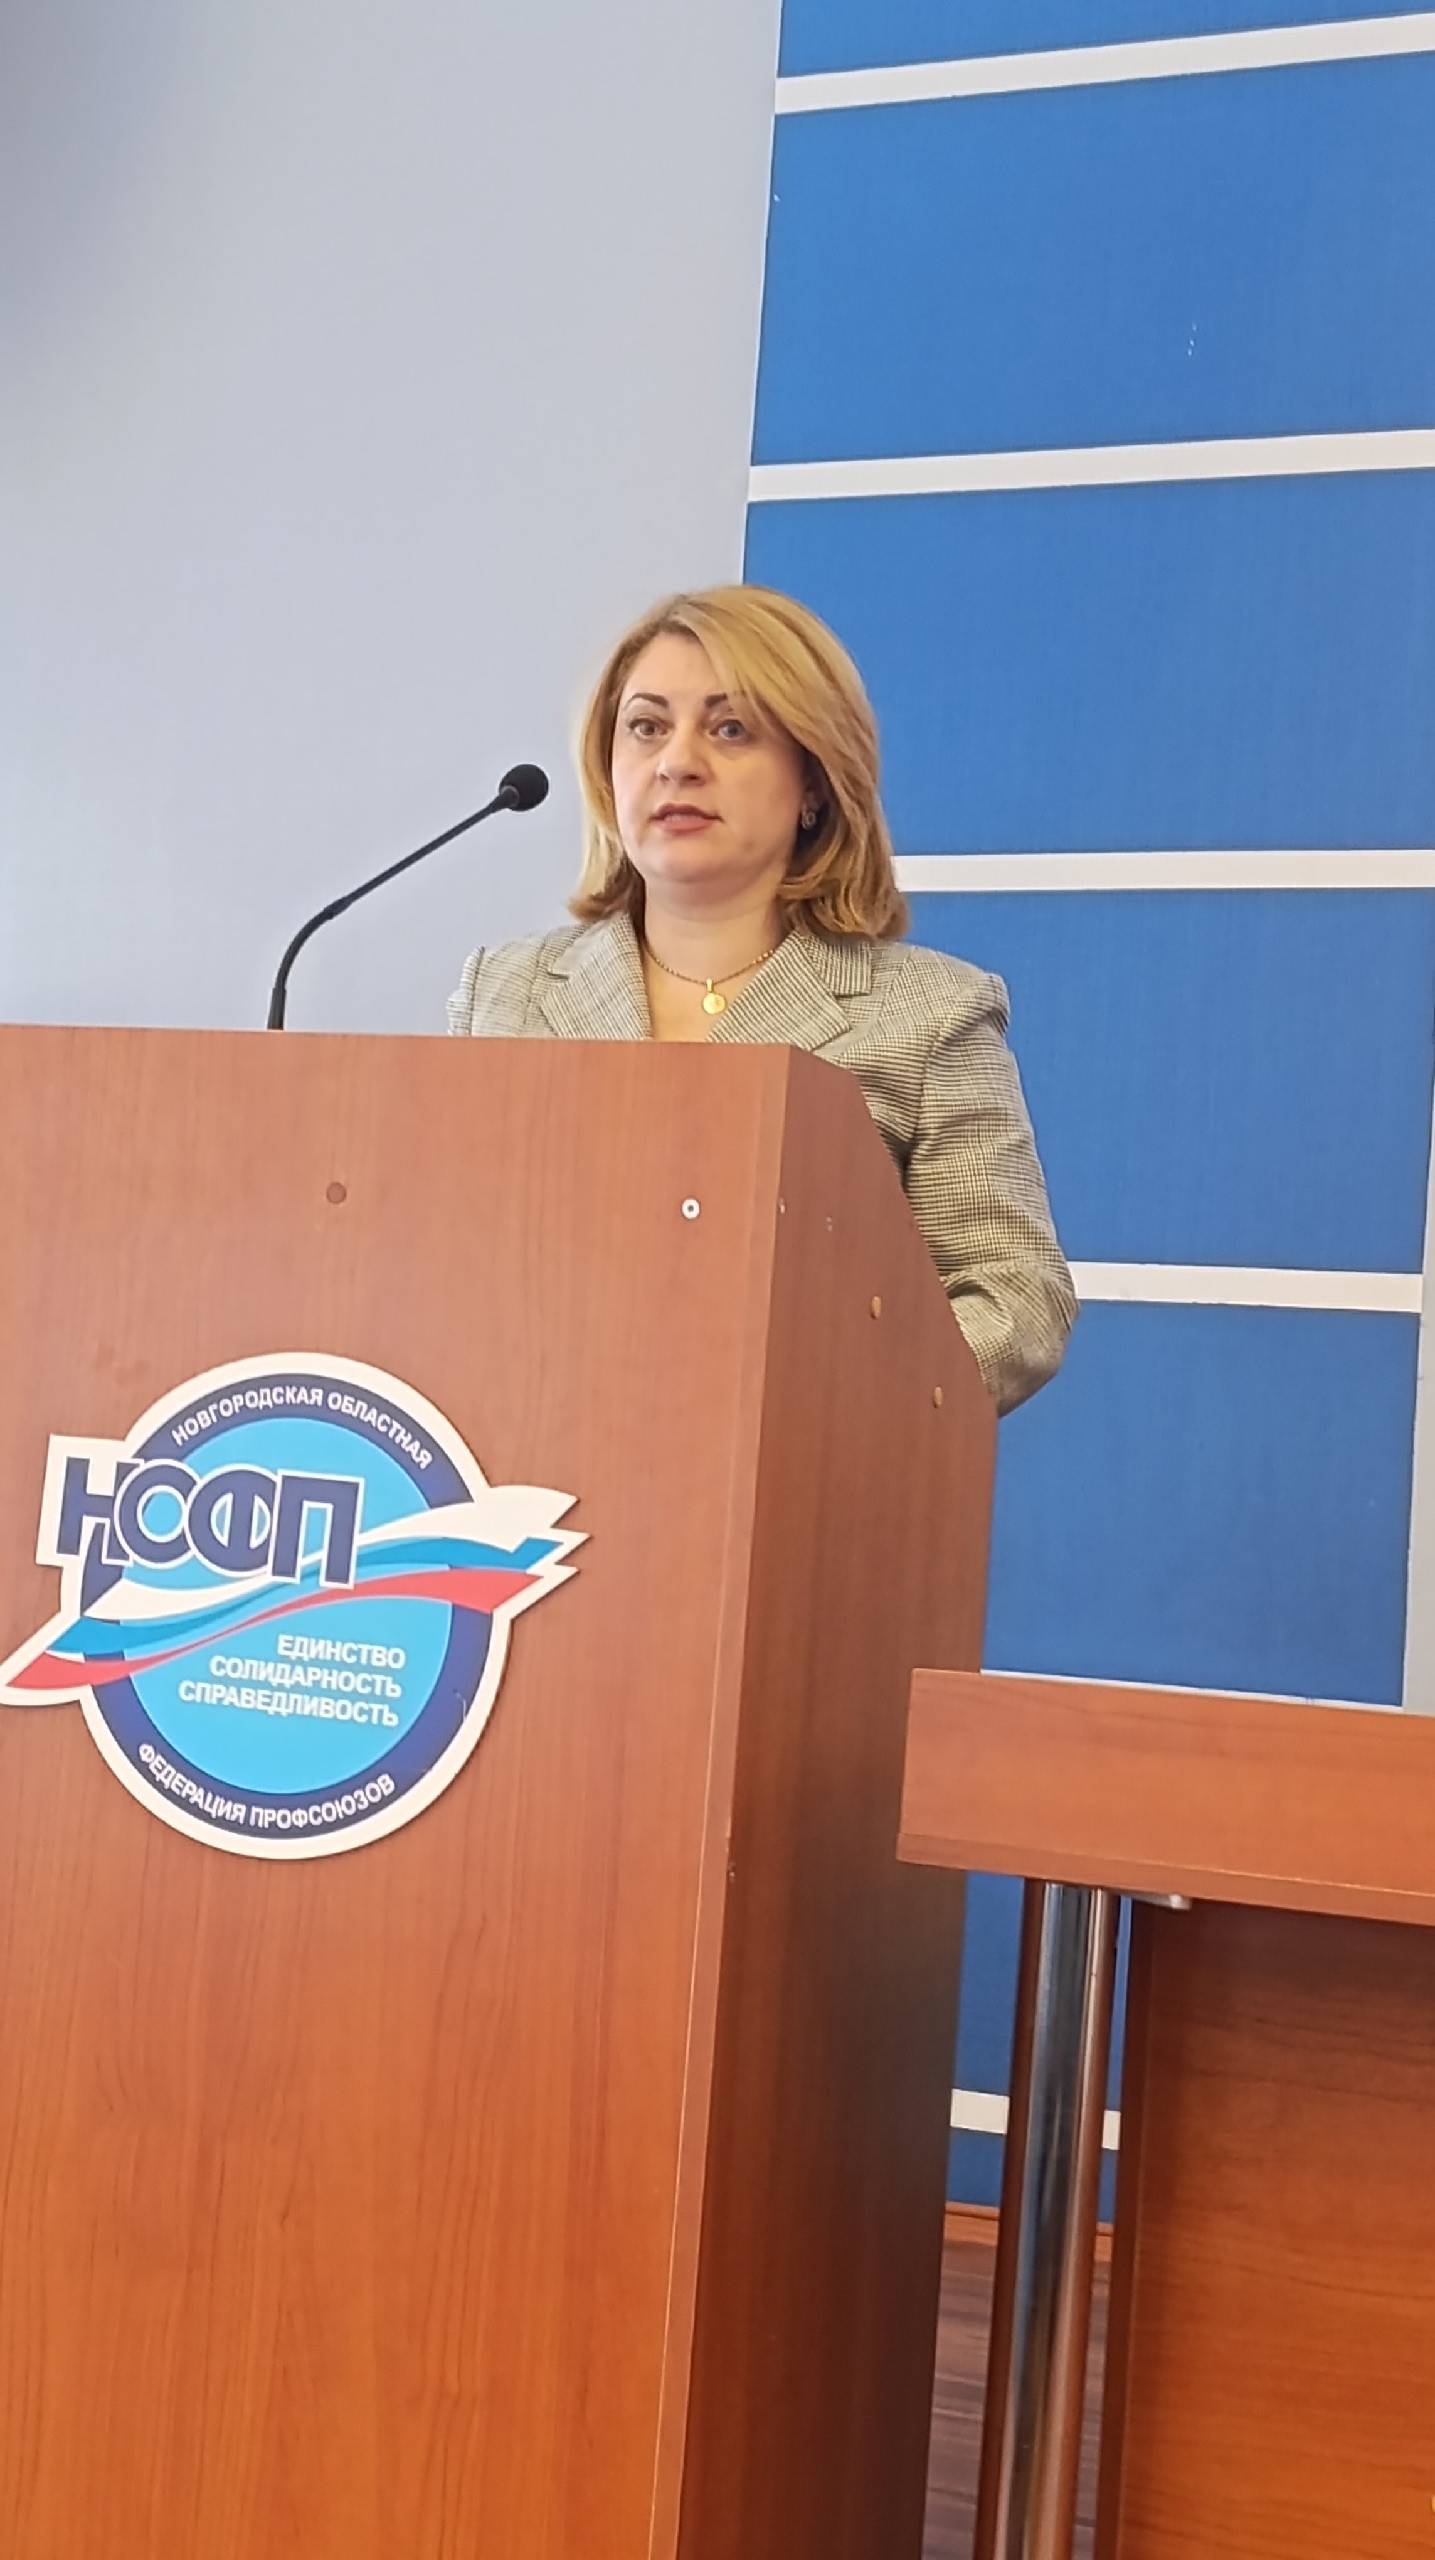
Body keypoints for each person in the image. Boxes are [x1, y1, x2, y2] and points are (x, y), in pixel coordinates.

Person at [448, 585, 1076, 1414]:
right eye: (646, 727)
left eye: (730, 729)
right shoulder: (506, 990)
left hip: (798, 1464)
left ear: (814, 778)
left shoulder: (930, 1014)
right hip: (525, 1462)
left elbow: (1014, 1299)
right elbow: (439, 1253)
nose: (676, 761)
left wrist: (830, 1396)